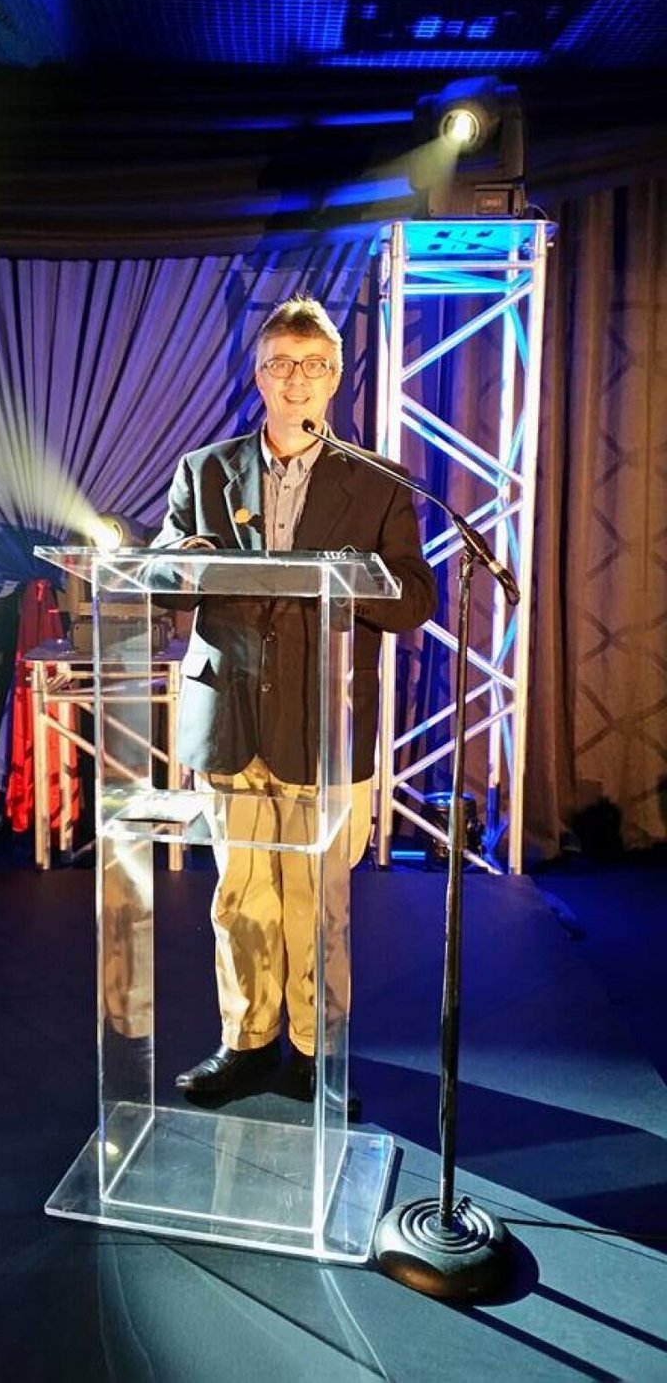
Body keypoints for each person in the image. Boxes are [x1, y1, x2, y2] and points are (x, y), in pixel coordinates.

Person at [152, 294, 436, 1098]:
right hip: (230, 716)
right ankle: (246, 1043)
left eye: (313, 366)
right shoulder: (204, 470)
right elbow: (163, 574)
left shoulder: (378, 481)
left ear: (336, 377)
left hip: (326, 723)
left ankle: (317, 1051)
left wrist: (351, 579)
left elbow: (414, 598)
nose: (296, 380)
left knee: (319, 902)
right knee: (241, 895)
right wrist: (183, 559)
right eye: (281, 364)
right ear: (259, 377)